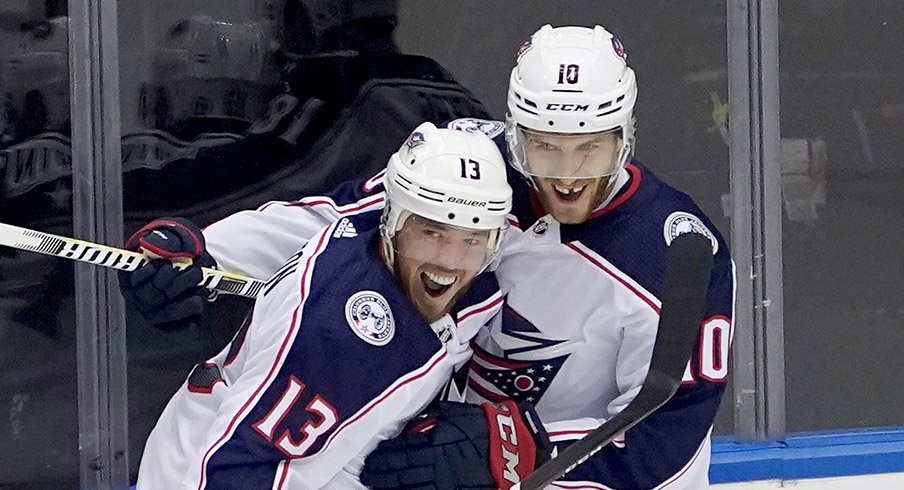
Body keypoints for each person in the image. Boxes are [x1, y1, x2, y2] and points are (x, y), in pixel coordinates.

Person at [124, 25, 735, 489]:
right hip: (438, 458)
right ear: (515, 132)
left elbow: (664, 432)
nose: (568, 178)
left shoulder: (682, 256)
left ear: (624, 138)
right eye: (545, 149)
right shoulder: (470, 165)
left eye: (590, 150)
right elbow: (340, 224)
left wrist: (525, 448)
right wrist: (201, 250)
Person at [130, 123, 553, 488]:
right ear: (394, 224)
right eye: (432, 233)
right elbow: (229, 471)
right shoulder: (338, 333)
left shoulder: (470, 283)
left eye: (472, 239)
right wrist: (205, 249)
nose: (450, 260)